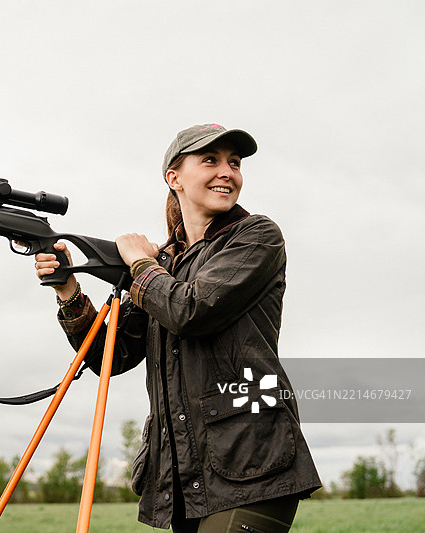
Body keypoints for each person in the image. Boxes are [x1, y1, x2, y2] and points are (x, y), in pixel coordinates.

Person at [35, 124, 321, 532]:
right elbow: (109, 356)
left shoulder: (257, 236)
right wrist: (68, 289)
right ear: (174, 178)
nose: (227, 172)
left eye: (234, 163)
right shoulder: (163, 264)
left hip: (251, 462)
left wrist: (140, 265)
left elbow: (192, 310)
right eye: (210, 160)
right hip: (183, 472)